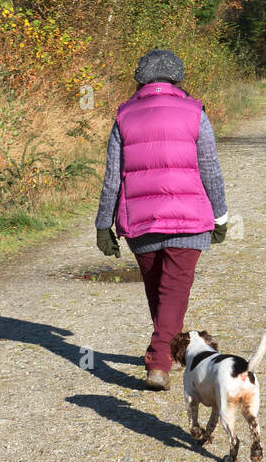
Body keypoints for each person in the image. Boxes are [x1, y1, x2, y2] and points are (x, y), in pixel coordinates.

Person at [94, 49, 228, 390]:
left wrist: (103, 223)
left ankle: (163, 354)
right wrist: (221, 215)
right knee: (173, 294)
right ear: (177, 79)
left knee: (160, 292)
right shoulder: (194, 111)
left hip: (140, 220)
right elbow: (210, 168)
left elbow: (113, 176)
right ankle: (159, 362)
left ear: (139, 79)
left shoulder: (124, 115)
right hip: (189, 220)